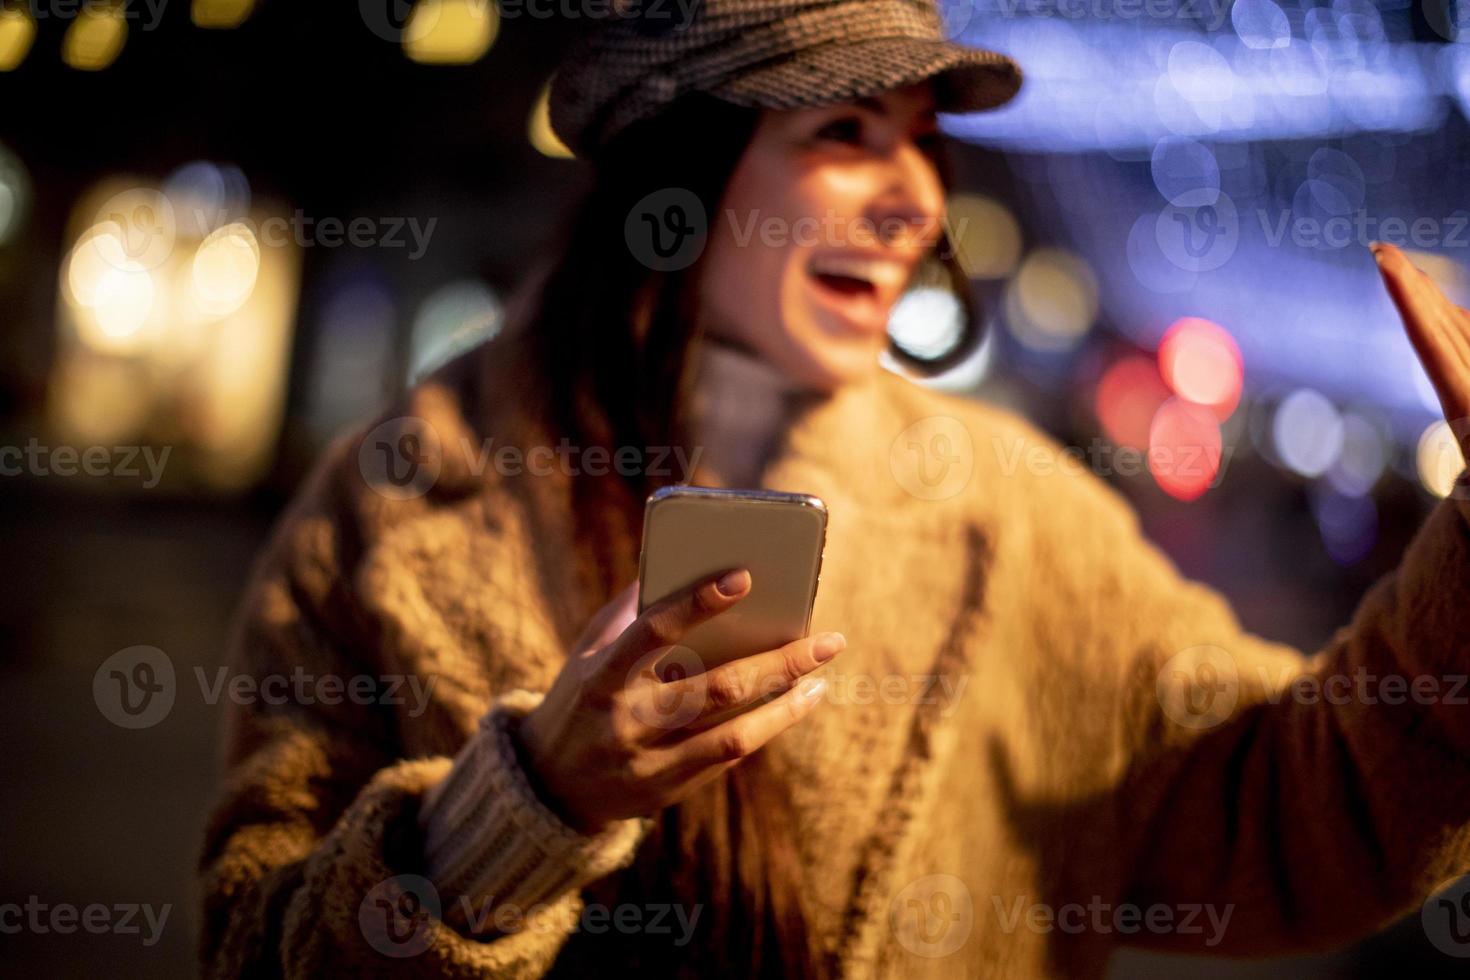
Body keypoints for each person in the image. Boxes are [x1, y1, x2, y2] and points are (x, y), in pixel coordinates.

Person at [197, 1, 1470, 977]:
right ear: (682, 182)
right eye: (845, 134)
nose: (916, 198)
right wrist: (525, 806)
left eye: (923, 141)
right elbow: (255, 939)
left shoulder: (1020, 517)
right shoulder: (395, 506)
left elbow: (1299, 807)